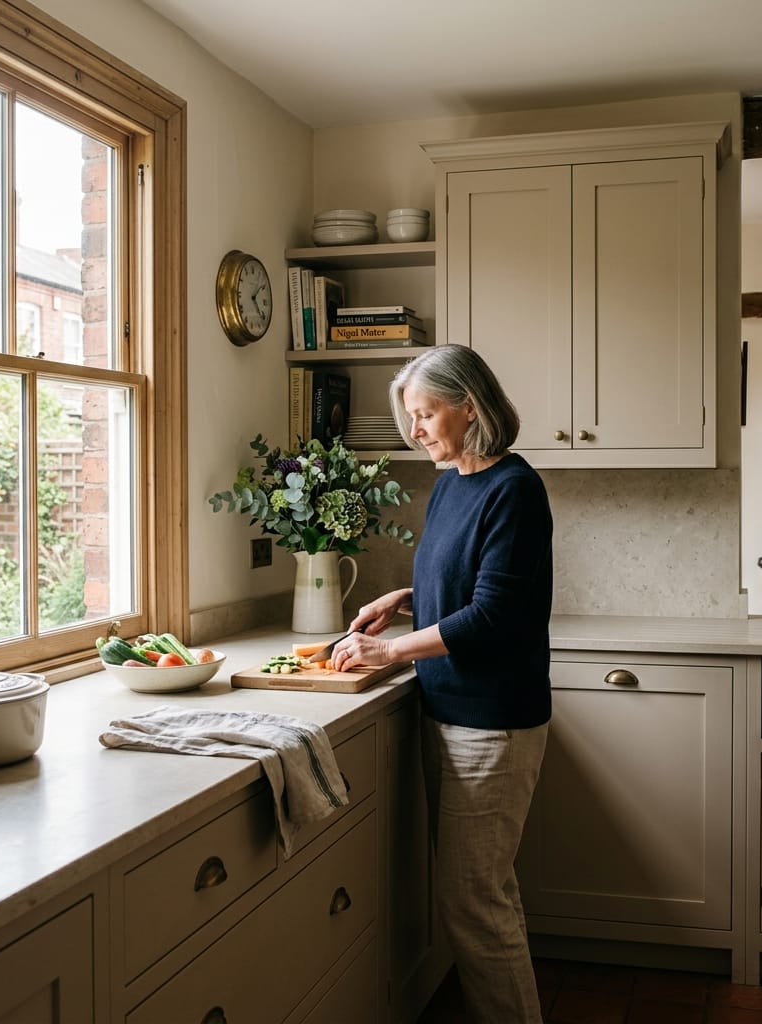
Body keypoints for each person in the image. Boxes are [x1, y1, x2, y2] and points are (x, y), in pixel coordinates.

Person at [329, 344, 553, 1023]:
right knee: (476, 897)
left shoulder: (514, 488)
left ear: (470, 407)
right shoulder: (454, 480)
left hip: (492, 722)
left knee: (476, 906)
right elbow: (464, 584)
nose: (416, 430)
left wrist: (389, 651)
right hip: (450, 709)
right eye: (412, 417)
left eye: (427, 415)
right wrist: (405, 595)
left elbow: (492, 614)